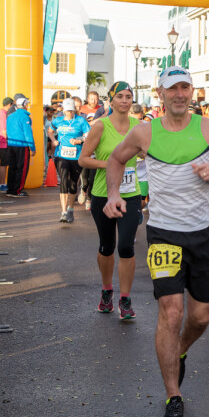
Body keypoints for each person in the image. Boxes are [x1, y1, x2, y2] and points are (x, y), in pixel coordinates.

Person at [102, 67, 209, 417]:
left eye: (185, 87)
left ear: (192, 92)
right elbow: (116, 159)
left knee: (201, 317)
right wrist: (113, 194)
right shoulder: (144, 132)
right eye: (172, 88)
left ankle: (178, 351)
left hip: (204, 233)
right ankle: (173, 397)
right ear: (160, 93)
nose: (179, 93)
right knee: (171, 312)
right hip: (164, 234)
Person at [79, 82, 141, 317]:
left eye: (128, 97)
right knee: (107, 246)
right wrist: (111, 164)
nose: (125, 101)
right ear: (111, 100)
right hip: (103, 194)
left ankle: (125, 298)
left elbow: (148, 153)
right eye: (120, 96)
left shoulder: (139, 127)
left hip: (131, 194)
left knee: (126, 246)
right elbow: (83, 159)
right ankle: (107, 290)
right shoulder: (100, 126)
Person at [48, 98, 91, 222]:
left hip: (76, 156)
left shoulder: (80, 121)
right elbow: (50, 131)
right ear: (63, 110)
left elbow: (89, 135)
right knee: (63, 181)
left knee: (73, 183)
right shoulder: (58, 121)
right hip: (61, 155)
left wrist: (79, 140)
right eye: (67, 111)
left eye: (71, 111)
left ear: (74, 110)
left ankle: (70, 209)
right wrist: (53, 140)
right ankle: (63, 212)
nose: (69, 113)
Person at [5, 97, 35, 197]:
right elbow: (28, 133)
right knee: (22, 168)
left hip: (11, 144)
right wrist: (32, 147)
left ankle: (10, 189)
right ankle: (17, 190)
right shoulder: (25, 117)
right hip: (22, 145)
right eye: (27, 104)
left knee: (12, 167)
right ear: (25, 105)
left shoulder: (10, 116)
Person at [0, 97, 14, 191]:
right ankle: (1, 183)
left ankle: (2, 183)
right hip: (4, 143)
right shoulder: (3, 114)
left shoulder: (2, 113)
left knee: (4, 163)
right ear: (10, 105)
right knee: (4, 164)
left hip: (3, 142)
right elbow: (4, 130)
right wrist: (9, 139)